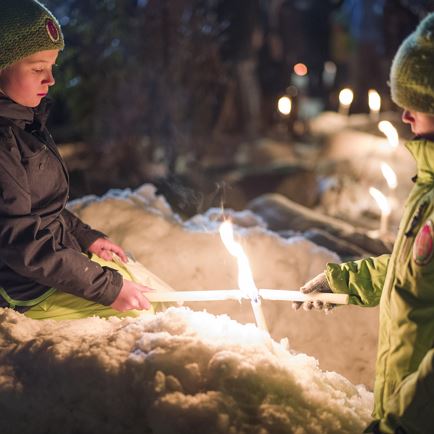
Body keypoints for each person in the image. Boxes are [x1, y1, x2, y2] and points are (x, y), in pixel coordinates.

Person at [294, 12, 434, 434]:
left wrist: (401, 422)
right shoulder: (428, 185)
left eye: (418, 105)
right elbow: (416, 272)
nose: (405, 116)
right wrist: (349, 280)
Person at [0, 0, 152, 320]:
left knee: (150, 289)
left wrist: (86, 236)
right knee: (145, 319)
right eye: (38, 68)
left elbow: (42, 207)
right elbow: (20, 242)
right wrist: (106, 288)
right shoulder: (4, 141)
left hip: (47, 272)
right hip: (24, 292)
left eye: (52, 67)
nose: (50, 79)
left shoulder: (25, 124)